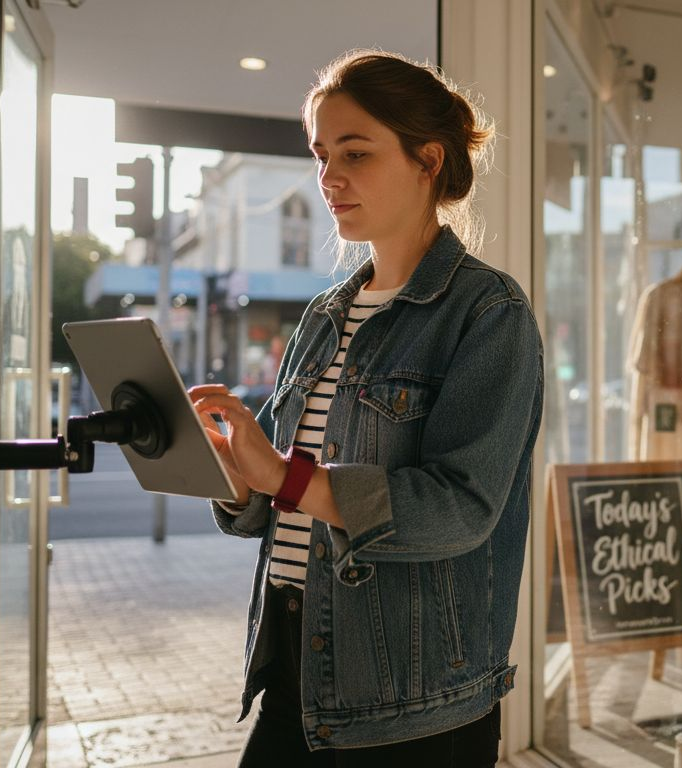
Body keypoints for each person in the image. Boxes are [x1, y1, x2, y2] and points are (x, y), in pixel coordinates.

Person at [189, 49, 543, 766]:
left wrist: (285, 475)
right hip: (295, 671)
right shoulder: (325, 313)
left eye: (355, 151)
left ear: (428, 160)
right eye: (321, 155)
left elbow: (460, 507)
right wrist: (233, 470)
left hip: (413, 703)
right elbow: (278, 505)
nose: (329, 178)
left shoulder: (487, 312)